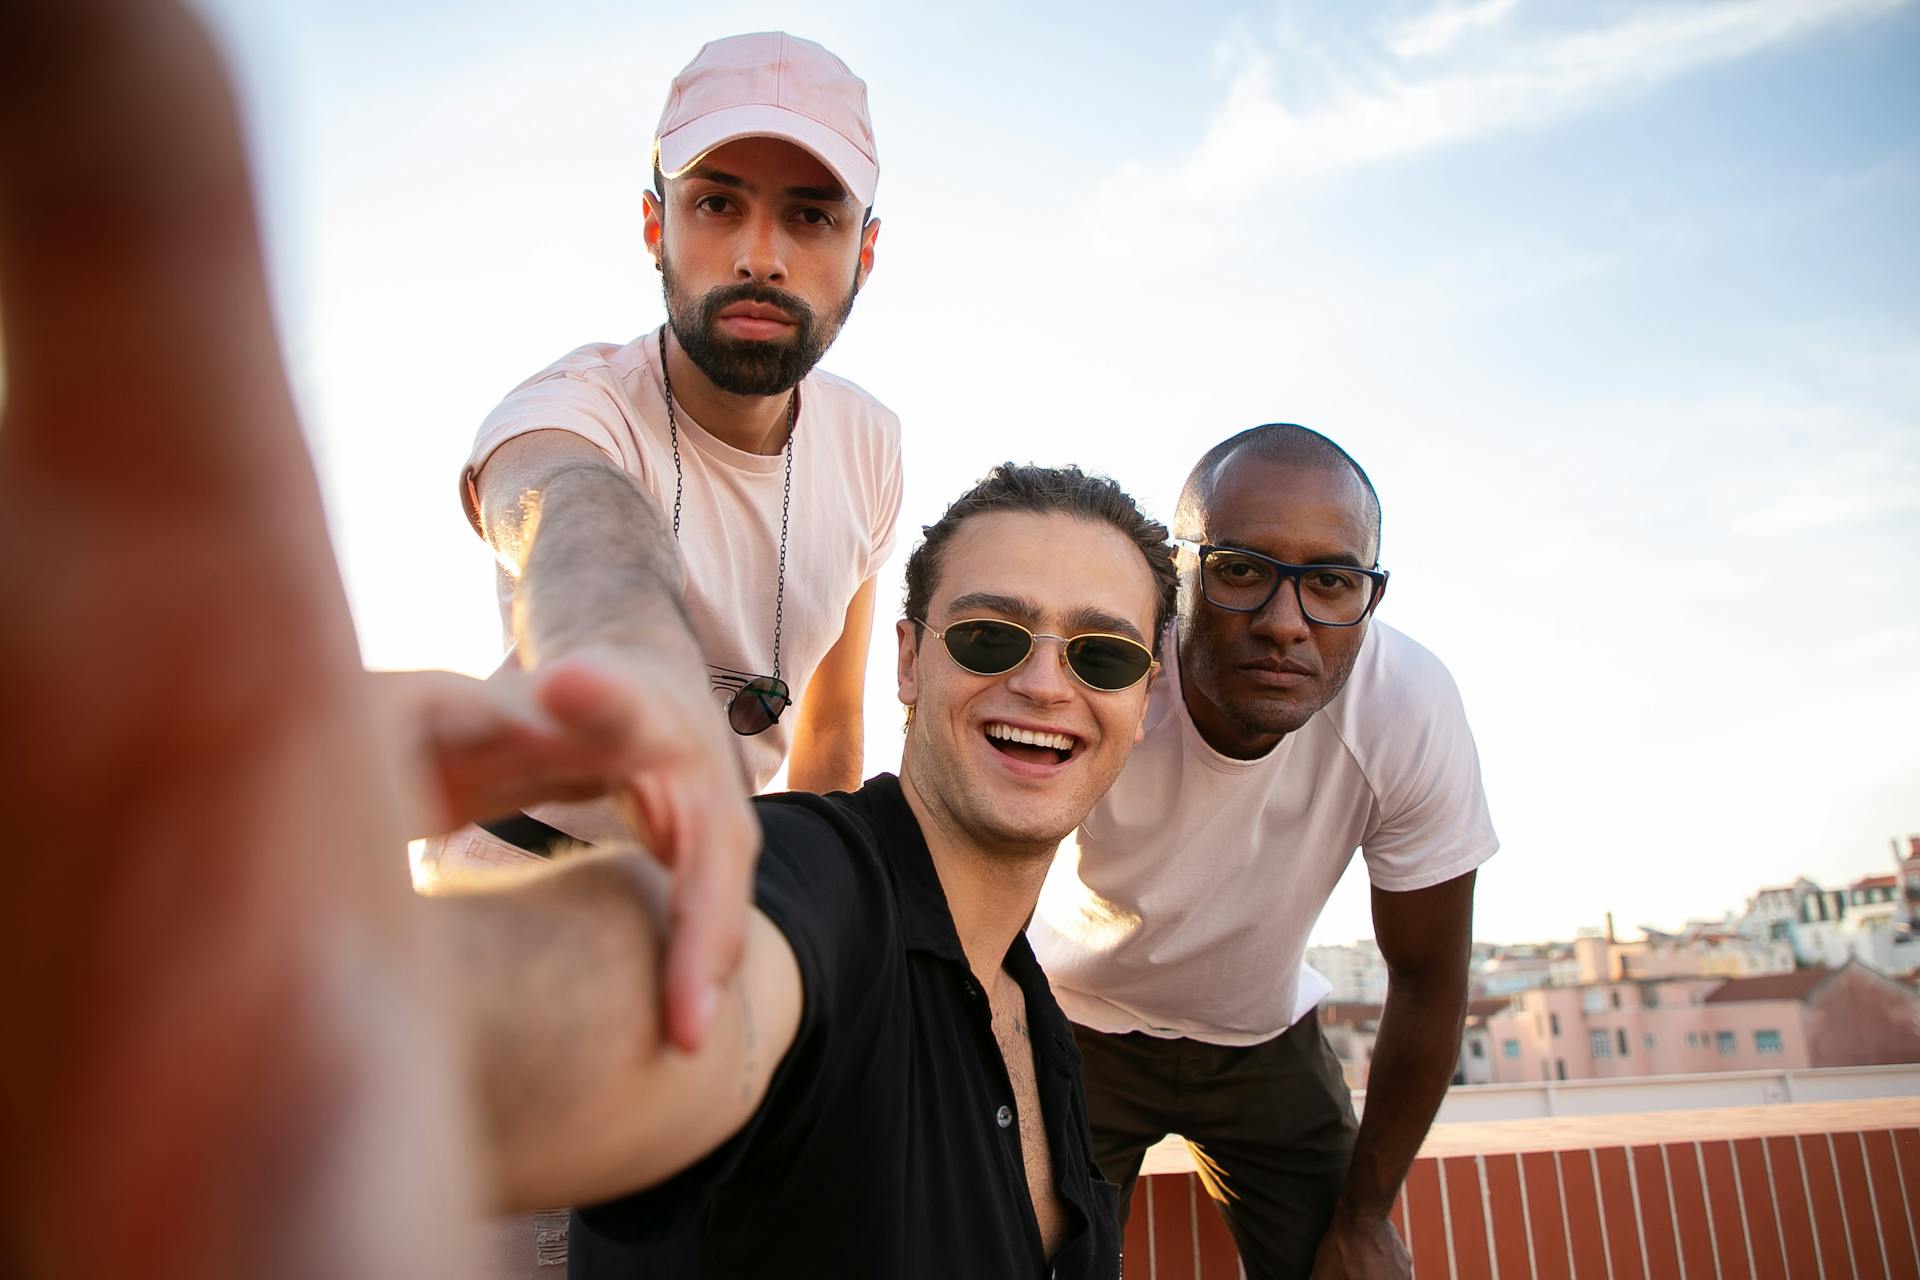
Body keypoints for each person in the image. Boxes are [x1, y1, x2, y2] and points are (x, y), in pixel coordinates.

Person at [464, 463, 1171, 1278]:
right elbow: (705, 976)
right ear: (908, 663)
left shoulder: (1041, 1022)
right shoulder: (813, 873)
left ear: (1145, 702)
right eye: (989, 636)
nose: (1045, 684)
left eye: (1104, 656)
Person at [419, 29, 903, 1054]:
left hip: (716, 895)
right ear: (655, 226)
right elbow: (565, 505)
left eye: (810, 215)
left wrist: (811, 935)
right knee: (520, 1216)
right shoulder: (574, 404)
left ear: (864, 251)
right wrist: (628, 645)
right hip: (513, 883)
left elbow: (827, 739)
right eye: (717, 203)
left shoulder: (871, 443)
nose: (760, 255)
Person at [1030, 425, 1498, 1280]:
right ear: (1179, 573)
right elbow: (977, 888)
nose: (1287, 624)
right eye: (1241, 570)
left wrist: (1366, 1216)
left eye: (1330, 582)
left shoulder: (1407, 708)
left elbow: (1431, 977)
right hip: (1075, 1023)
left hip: (1263, 1038)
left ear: (1370, 595)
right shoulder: (1106, 669)